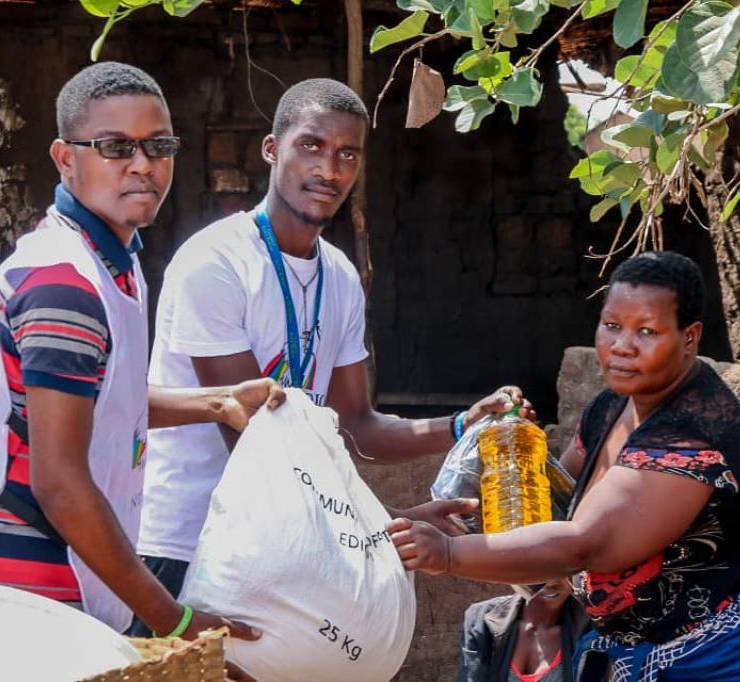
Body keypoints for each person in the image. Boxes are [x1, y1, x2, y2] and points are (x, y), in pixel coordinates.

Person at [0, 62, 284, 649]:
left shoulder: (115, 262)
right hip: (27, 586)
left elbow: (102, 402)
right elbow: (60, 483)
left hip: (70, 572)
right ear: (64, 157)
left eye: (158, 145)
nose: (143, 163)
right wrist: (173, 619)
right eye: (114, 146)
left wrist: (220, 401)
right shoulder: (65, 286)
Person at [133, 78, 529, 633]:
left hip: (288, 545)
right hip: (189, 546)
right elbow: (257, 441)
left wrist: (464, 425)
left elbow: (357, 426)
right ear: (273, 150)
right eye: (312, 146)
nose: (330, 169)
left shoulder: (339, 277)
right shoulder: (216, 262)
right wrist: (384, 520)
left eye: (348, 154)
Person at [389, 251, 740, 680]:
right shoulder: (610, 407)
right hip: (665, 650)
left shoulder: (693, 437)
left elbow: (583, 543)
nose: (622, 346)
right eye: (612, 325)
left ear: (690, 338)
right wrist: (512, 451)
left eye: (647, 331)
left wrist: (446, 555)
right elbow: (562, 502)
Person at [459, 580, 588, 682]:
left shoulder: (590, 628)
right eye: (537, 572)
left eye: (560, 571)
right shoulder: (482, 619)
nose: (550, 582)